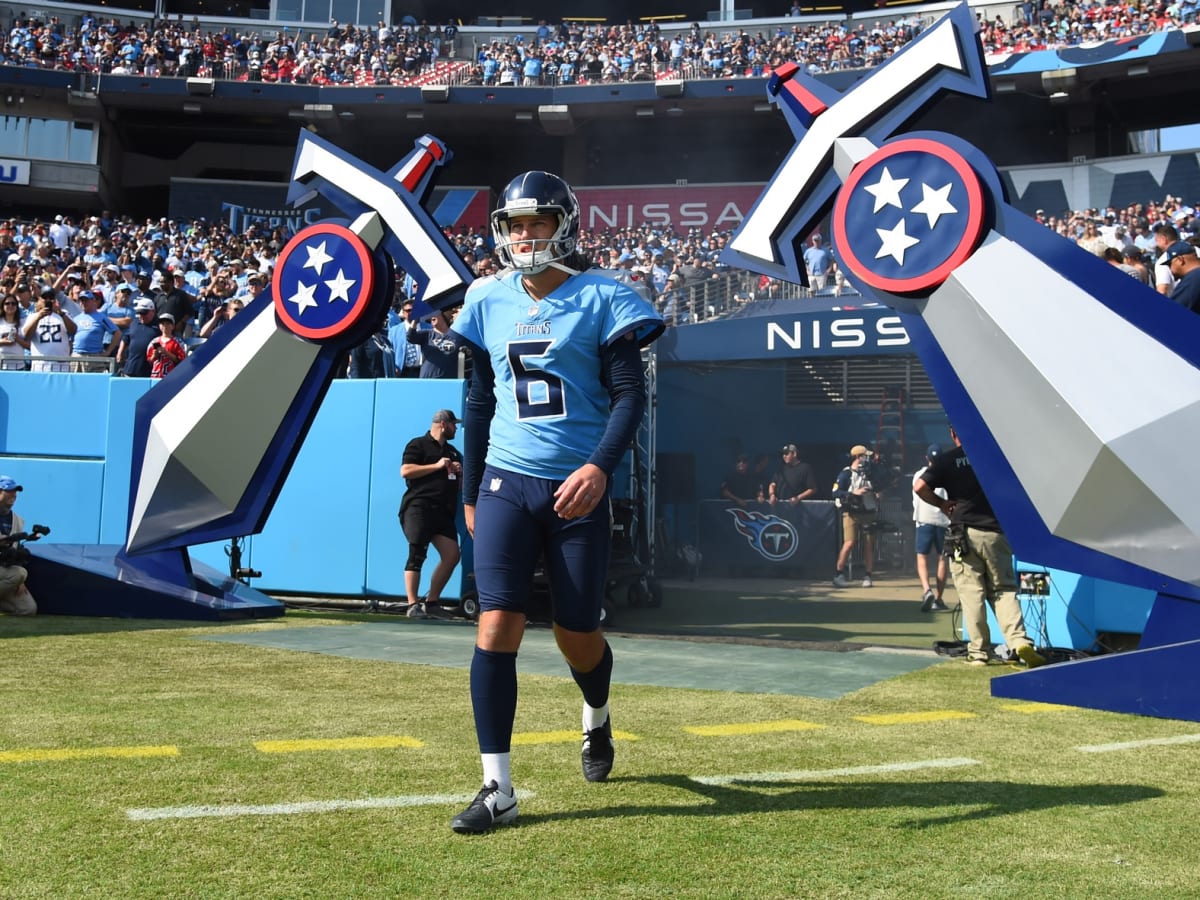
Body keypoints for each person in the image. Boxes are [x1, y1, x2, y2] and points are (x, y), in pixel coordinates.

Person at [448, 170, 663, 834]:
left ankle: (595, 718)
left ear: (564, 224)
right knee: (496, 624)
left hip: (576, 484)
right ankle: (497, 788)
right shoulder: (486, 298)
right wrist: (470, 491)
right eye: (514, 225)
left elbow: (630, 395)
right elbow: (480, 403)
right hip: (507, 481)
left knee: (576, 632)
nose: (524, 235)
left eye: (536, 222)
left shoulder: (605, 297)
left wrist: (602, 466)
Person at [914, 425, 1045, 668]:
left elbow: (920, 487)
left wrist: (942, 504)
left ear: (954, 435)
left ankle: (979, 653)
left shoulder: (947, 460)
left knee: (971, 593)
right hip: (997, 532)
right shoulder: (997, 458)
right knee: (1003, 590)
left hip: (962, 533)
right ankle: (1019, 643)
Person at [399, 409, 463, 619]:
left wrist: (458, 473)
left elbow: (461, 486)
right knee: (417, 554)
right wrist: (437, 466)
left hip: (443, 511)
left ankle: (432, 602)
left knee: (452, 555)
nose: (456, 428)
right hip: (419, 507)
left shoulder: (453, 452)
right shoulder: (417, 444)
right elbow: (406, 471)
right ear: (443, 424)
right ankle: (412, 605)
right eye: (454, 424)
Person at [832, 444, 878, 588]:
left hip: (868, 511)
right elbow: (835, 492)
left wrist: (878, 492)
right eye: (865, 456)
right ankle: (838, 573)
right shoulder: (846, 473)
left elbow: (880, 487)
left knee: (869, 544)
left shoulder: (871, 473)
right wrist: (853, 493)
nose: (868, 459)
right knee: (849, 542)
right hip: (851, 512)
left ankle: (868, 575)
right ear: (858, 457)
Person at [912, 443, 950, 613]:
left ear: (927, 458)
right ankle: (939, 599)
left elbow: (915, 497)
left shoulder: (919, 475)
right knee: (942, 559)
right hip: (943, 522)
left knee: (922, 558)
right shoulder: (948, 475)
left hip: (923, 520)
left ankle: (927, 590)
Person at [0, 475, 36, 615]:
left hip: (5, 571)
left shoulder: (18, 520)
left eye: (15, 491)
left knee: (28, 609)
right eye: (8, 491)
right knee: (19, 573)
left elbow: (15, 552)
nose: (13, 495)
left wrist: (19, 582)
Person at [23, 287, 77, 373]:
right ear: (40, 299)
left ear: (55, 299)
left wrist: (60, 313)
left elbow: (73, 330)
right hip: (40, 366)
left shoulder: (64, 313)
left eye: (51, 298)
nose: (48, 300)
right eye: (45, 298)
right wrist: (38, 317)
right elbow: (26, 336)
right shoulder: (33, 316)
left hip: (61, 366)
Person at [71, 290, 122, 372]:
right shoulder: (76, 318)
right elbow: (71, 336)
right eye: (82, 300)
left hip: (94, 356)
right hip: (77, 355)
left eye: (86, 300)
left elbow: (117, 333)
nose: (83, 303)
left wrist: (108, 351)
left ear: (93, 301)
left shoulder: (101, 317)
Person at [407, 307, 460, 378]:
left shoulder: (456, 336)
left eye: (435, 313)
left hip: (449, 382)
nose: (431, 316)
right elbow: (410, 337)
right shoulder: (427, 334)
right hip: (428, 380)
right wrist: (414, 322)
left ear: (445, 315)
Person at [117, 299, 160, 377]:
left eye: (144, 313)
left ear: (153, 311)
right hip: (131, 368)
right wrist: (120, 352)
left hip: (149, 371)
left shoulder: (159, 326)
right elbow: (126, 337)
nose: (141, 316)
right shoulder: (135, 323)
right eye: (139, 313)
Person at [146, 313, 186, 379]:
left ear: (173, 326)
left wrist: (166, 353)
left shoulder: (178, 342)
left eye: (167, 323)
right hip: (156, 375)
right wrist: (155, 355)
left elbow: (181, 361)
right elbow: (149, 360)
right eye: (162, 323)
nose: (165, 326)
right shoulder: (154, 342)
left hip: (171, 376)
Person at [1163, 240, 1200, 312]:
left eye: (1170, 264)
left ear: (1180, 260)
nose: (1170, 269)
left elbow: (1173, 312)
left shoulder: (1193, 278)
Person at [0, 293, 30, 370]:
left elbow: (30, 346)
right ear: (3, 306)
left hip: (19, 366)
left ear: (17, 306)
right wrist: (2, 342)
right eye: (7, 303)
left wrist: (17, 339)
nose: (10, 306)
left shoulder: (24, 322)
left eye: (13, 304)